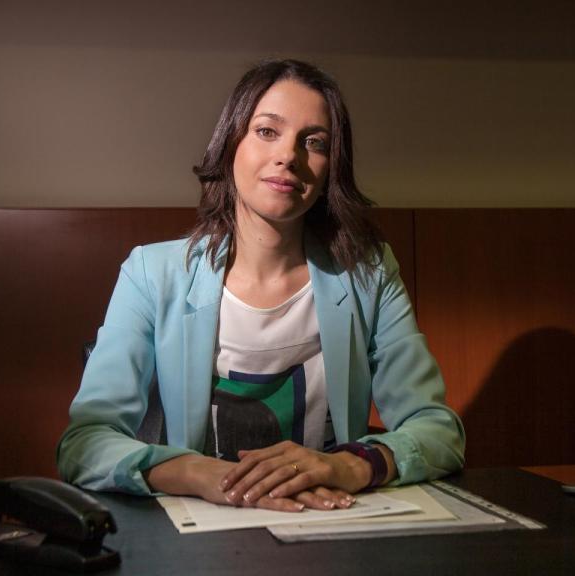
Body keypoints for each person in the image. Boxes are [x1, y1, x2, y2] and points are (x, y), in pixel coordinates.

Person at [57, 59, 464, 512]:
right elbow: (85, 443)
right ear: (230, 143)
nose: (289, 156)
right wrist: (197, 473)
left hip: (330, 522)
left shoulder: (368, 273)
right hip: (200, 529)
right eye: (267, 131)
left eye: (314, 142)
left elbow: (438, 430)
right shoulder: (151, 273)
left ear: (331, 167)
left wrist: (350, 465)